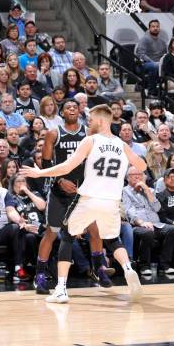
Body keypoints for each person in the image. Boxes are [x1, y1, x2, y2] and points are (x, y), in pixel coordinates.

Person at [20, 104, 147, 303]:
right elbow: (142, 165)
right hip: (112, 200)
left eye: (92, 119)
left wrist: (39, 173)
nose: (89, 122)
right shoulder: (123, 144)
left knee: (68, 236)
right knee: (113, 238)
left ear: (102, 121)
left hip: (88, 197)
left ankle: (61, 289)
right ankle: (128, 269)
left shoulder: (90, 139)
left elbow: (68, 165)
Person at [27, 100, 113, 296]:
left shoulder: (89, 134)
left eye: (75, 107)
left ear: (80, 111)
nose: (72, 109)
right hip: (60, 191)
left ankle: (99, 269)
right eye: (68, 107)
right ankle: (40, 275)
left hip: (84, 191)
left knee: (94, 229)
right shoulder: (53, 133)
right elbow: (46, 163)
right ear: (62, 112)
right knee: (51, 232)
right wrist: (59, 181)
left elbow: (98, 161)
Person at [122, 167, 174, 276]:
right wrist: (142, 223)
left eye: (140, 174)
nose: (137, 176)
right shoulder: (125, 191)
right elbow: (129, 212)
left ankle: (164, 265)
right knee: (147, 233)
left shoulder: (150, 190)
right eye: (133, 175)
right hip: (138, 224)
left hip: (156, 224)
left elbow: (157, 208)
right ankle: (144, 266)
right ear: (128, 178)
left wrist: (146, 190)